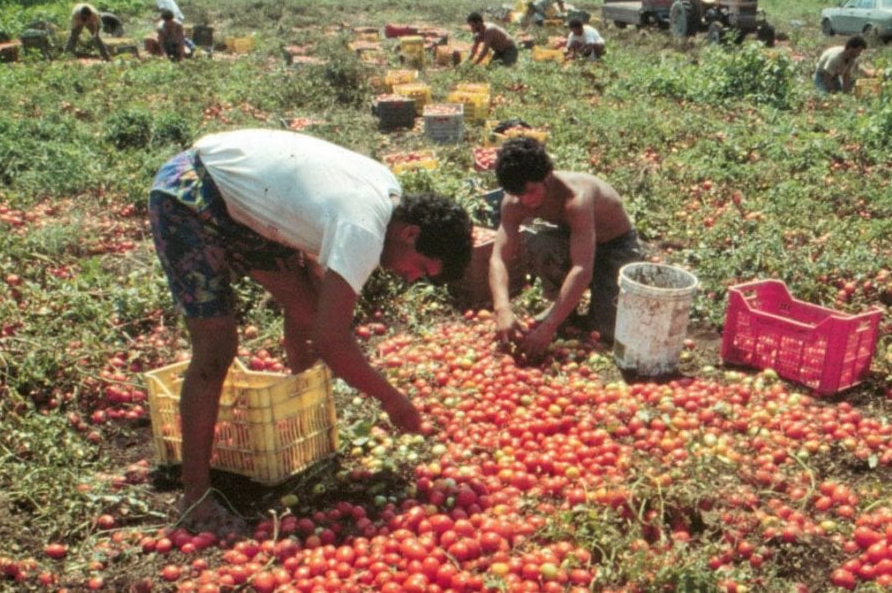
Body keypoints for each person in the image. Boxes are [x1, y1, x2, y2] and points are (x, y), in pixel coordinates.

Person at [148, 129, 472, 534]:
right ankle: (195, 498)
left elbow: (316, 302)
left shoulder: (388, 195)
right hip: (192, 194)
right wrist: (392, 399)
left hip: (245, 205)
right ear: (411, 234)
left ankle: (305, 423)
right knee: (216, 347)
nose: (410, 278)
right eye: (420, 267)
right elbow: (330, 340)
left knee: (306, 305)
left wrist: (312, 357)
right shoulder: (364, 229)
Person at [488, 137, 644, 360]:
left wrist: (548, 327)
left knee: (607, 330)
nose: (525, 200)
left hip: (615, 246)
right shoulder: (514, 202)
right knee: (541, 243)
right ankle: (563, 308)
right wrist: (502, 308)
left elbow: (582, 268)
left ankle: (574, 305)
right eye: (517, 194)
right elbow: (498, 258)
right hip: (574, 239)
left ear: (546, 177)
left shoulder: (576, 198)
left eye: (530, 191)